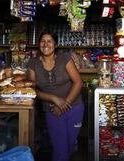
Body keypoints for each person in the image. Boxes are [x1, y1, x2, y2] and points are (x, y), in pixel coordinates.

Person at [27, 30, 84, 161]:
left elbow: (78, 82)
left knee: (70, 145)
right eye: (42, 41)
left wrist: (63, 105)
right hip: (52, 111)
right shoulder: (33, 63)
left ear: (55, 45)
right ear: (38, 44)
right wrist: (53, 99)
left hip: (74, 108)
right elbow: (31, 90)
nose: (45, 44)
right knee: (60, 148)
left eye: (49, 41)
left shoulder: (65, 58)